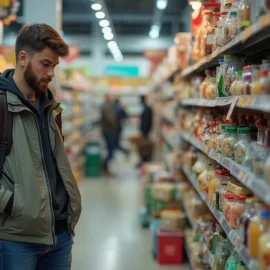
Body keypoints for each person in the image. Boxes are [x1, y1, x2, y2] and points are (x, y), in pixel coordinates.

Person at [0, 24, 82, 269]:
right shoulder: (2, 105)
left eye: (54, 66)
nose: (51, 73)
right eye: (45, 64)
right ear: (23, 58)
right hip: (18, 237)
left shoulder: (50, 106)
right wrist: (15, 204)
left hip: (59, 233)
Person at [100, 94, 118, 175]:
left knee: (110, 149)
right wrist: (115, 126)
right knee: (110, 150)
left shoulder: (106, 106)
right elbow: (110, 119)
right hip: (109, 131)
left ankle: (105, 167)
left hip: (107, 130)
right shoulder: (107, 107)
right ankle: (105, 168)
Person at [138, 95, 154, 165]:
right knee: (144, 147)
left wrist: (144, 132)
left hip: (145, 132)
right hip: (145, 131)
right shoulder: (146, 108)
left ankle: (145, 161)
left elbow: (147, 122)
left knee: (145, 147)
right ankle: (144, 161)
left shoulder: (147, 109)